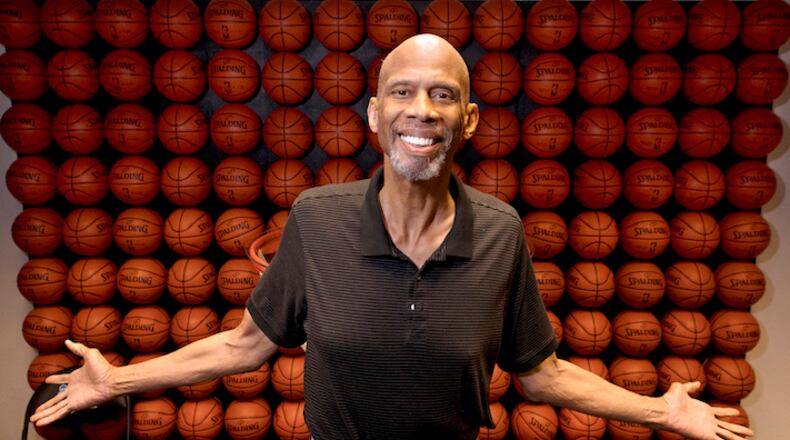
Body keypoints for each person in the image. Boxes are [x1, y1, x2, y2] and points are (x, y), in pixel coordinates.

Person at [32, 34, 752, 440]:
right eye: (403, 92)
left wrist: (662, 409)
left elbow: (543, 373)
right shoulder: (316, 217)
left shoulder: (500, 234)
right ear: (375, 114)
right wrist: (118, 379)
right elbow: (243, 345)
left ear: (467, 120)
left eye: (444, 95)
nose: (422, 110)